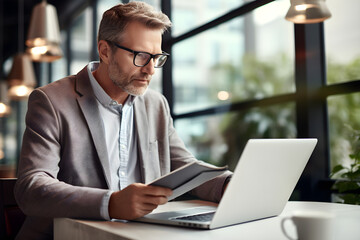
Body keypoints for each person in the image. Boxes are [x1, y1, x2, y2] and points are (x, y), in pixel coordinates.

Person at [14, 2, 232, 239]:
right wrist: (111, 203)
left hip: (139, 233)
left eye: (156, 57)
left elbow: (184, 167)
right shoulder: (51, 101)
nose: (150, 70)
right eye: (140, 56)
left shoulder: (156, 104)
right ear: (105, 51)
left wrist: (229, 185)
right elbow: (32, 187)